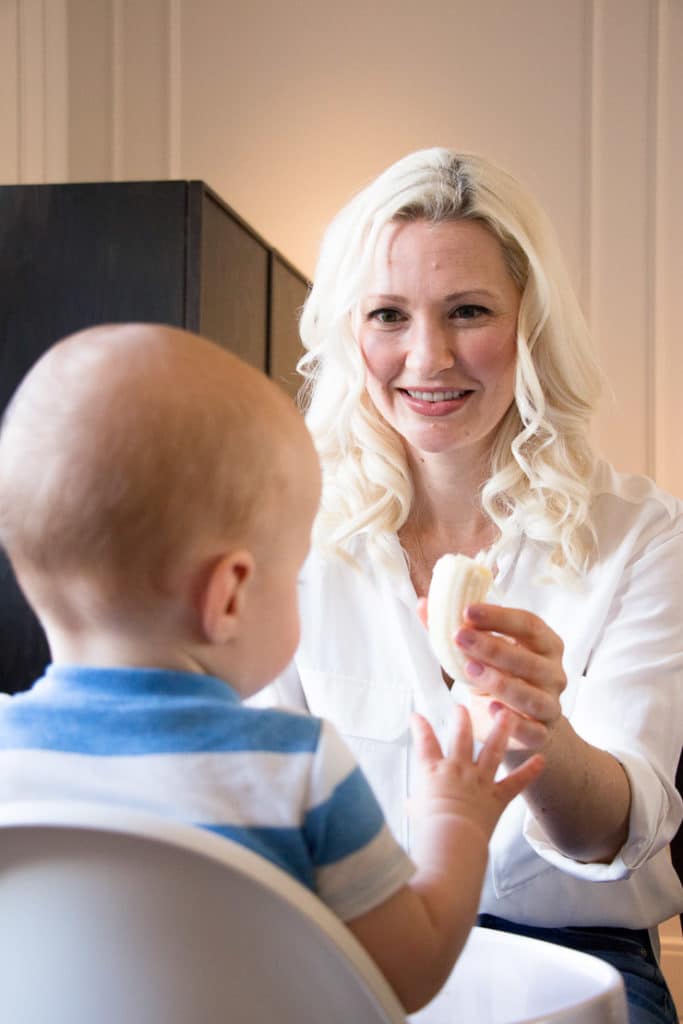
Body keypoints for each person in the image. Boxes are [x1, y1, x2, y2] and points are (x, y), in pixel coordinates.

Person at [0, 322, 543, 1014]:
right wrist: (455, 824)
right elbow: (402, 979)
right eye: (291, 577)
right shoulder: (298, 771)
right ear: (227, 596)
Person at [257, 148, 683, 1024]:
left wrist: (541, 734)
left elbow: (606, 836)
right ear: (350, 332)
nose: (428, 357)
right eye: (387, 315)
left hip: (565, 950)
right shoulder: (285, 530)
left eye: (468, 311)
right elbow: (255, 793)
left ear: (530, 324)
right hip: (349, 942)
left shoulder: (641, 537)